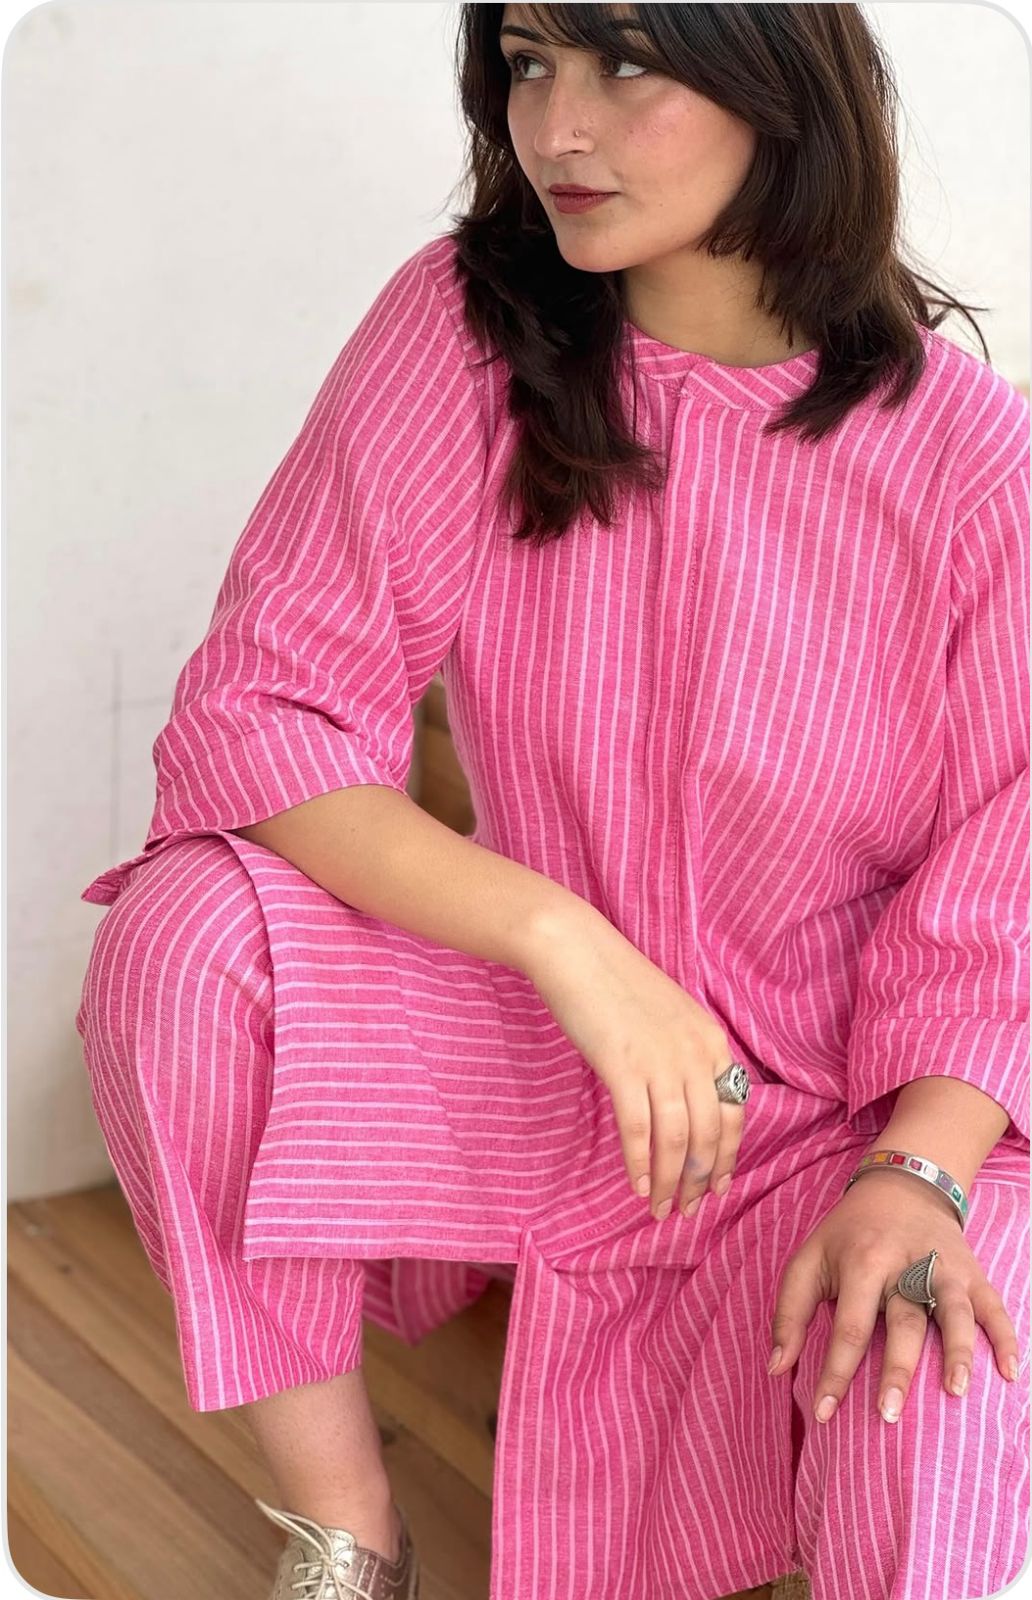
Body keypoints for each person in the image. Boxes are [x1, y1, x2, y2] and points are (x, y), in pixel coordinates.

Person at [74, 4, 1030, 1598]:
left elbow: (1014, 860)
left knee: (934, 1382)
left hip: (850, 1105)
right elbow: (266, 708)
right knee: (184, 947)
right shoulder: (468, 328)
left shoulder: (971, 460)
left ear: (777, 77)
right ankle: (348, 1543)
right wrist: (569, 946)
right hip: (556, 1054)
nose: (557, 129)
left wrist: (916, 1172)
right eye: (528, 63)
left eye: (624, 62)